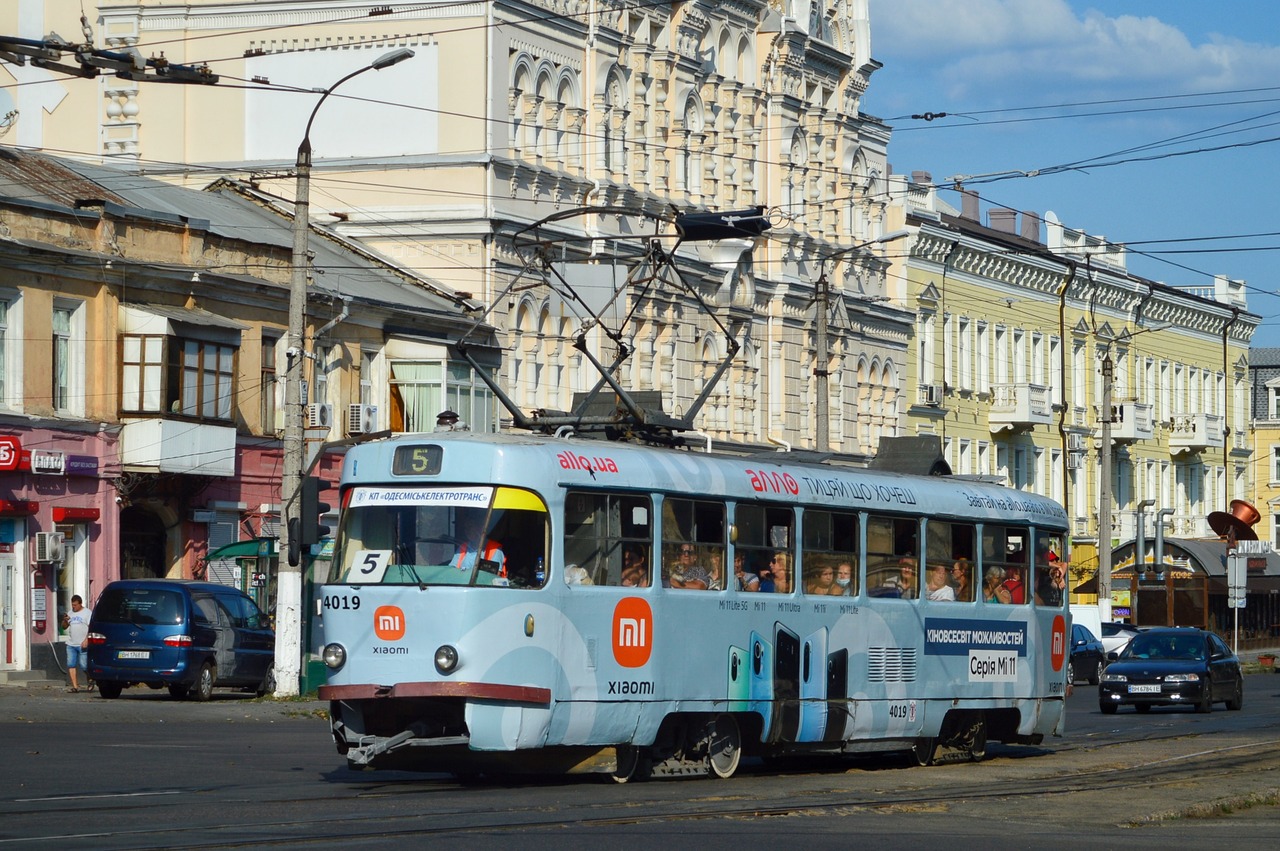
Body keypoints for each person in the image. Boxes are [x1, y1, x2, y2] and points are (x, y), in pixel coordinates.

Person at [449, 509, 506, 574]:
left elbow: (494, 577)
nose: (467, 530)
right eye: (466, 528)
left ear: (480, 527)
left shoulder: (494, 550)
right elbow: (452, 571)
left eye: (470, 527)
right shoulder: (463, 548)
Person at [61, 594, 92, 693]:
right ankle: (75, 686)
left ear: (80, 604)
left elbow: (91, 627)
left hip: (82, 643)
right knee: (71, 664)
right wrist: (65, 620)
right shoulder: (70, 613)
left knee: (84, 665)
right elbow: (64, 627)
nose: (73, 607)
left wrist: (86, 639)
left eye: (75, 605)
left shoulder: (87, 613)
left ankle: (90, 679)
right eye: (72, 605)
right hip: (71, 644)